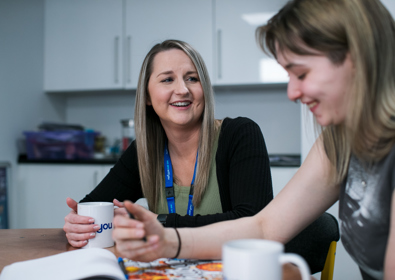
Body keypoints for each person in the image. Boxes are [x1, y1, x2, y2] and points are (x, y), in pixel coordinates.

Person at [111, 0, 395, 279]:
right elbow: (263, 228)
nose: (292, 93)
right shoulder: (339, 144)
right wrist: (168, 240)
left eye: (301, 73)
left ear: (357, 58)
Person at [63, 39, 272, 244]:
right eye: (167, 80)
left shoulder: (240, 134)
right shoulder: (144, 151)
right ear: (147, 96)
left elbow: (252, 223)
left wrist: (159, 223)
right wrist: (78, 224)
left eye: (192, 78)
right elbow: (92, 208)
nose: (183, 89)